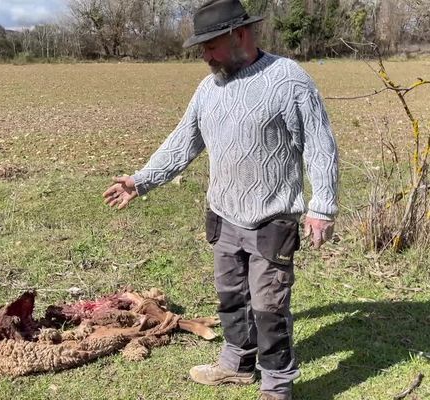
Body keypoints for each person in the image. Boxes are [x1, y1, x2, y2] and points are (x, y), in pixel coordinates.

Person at [102, 0, 339, 399]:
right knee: (232, 298)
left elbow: (320, 146)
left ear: (240, 35)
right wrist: (141, 181)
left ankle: (277, 388)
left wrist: (322, 207)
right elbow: (182, 143)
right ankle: (237, 364)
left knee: (269, 309)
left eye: (211, 46)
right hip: (225, 216)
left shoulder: (288, 80)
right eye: (201, 48)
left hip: (272, 219)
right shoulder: (208, 87)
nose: (205, 56)